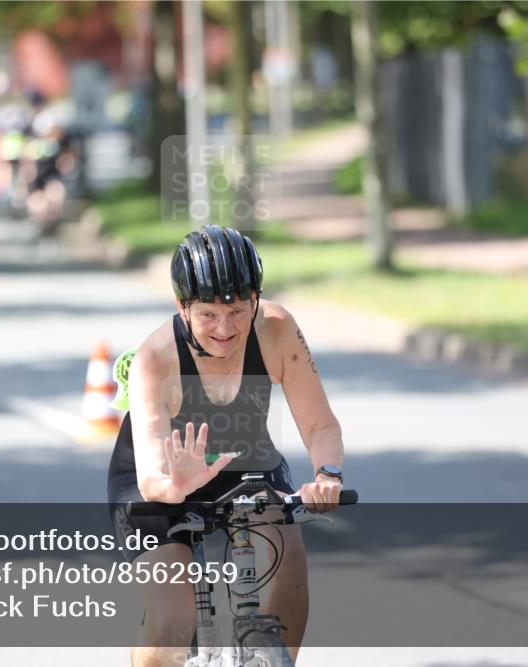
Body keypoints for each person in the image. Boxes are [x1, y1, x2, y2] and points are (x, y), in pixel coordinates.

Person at [107, 225, 345, 666]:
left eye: (237, 310)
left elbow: (319, 425)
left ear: (255, 299)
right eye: (209, 314)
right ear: (182, 308)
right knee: (173, 621)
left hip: (242, 461)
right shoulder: (155, 358)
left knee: (289, 555)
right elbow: (153, 479)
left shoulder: (276, 329)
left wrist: (326, 475)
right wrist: (178, 484)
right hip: (164, 474)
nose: (225, 327)